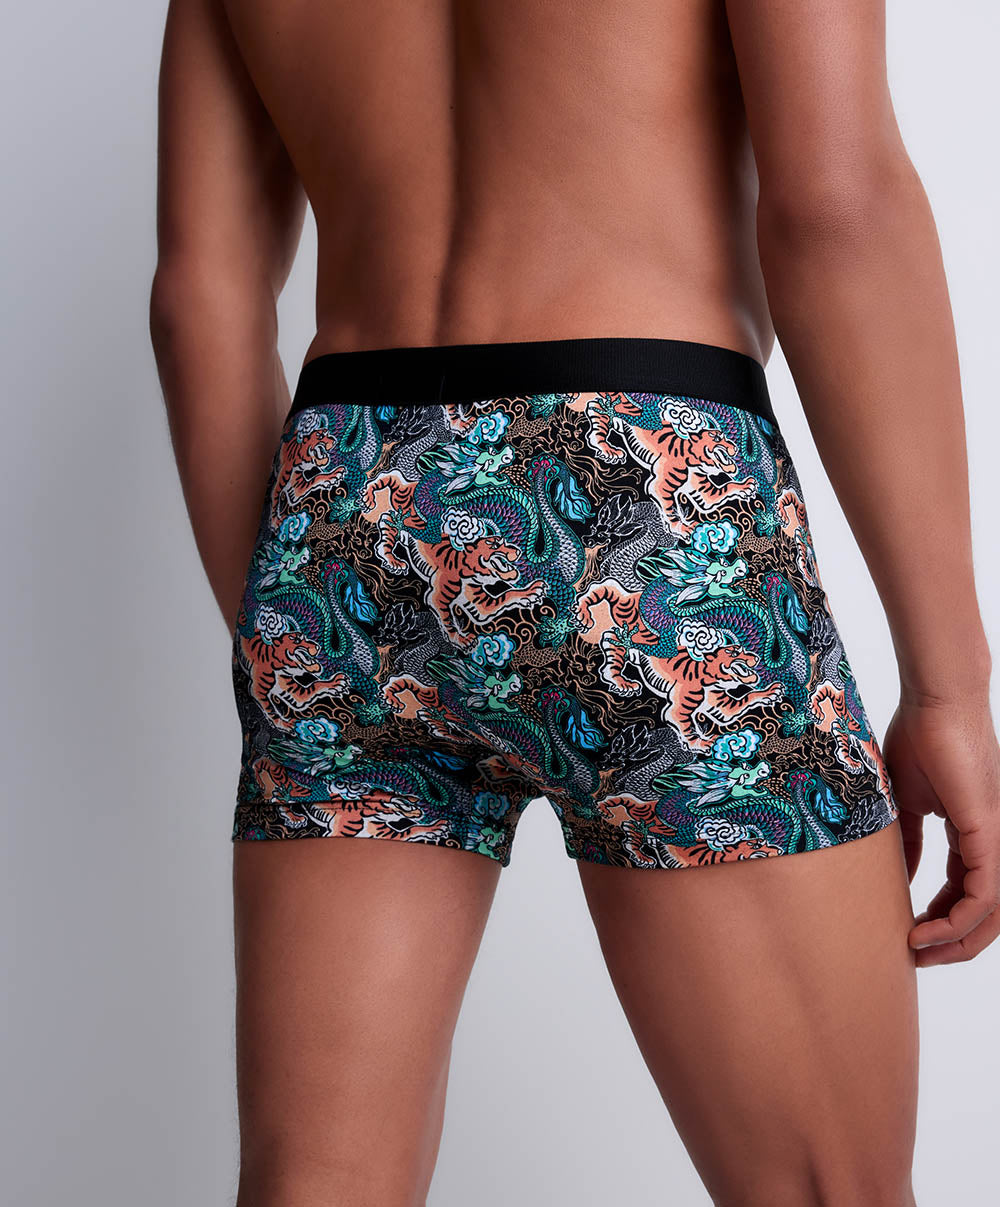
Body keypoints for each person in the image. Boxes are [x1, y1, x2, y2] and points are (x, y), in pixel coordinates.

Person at [149, 0, 1000, 1203]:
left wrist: (299, 642)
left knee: (317, 1182)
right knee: (825, 1187)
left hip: (342, 494)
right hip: (635, 489)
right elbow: (834, 203)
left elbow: (200, 299)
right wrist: (951, 685)